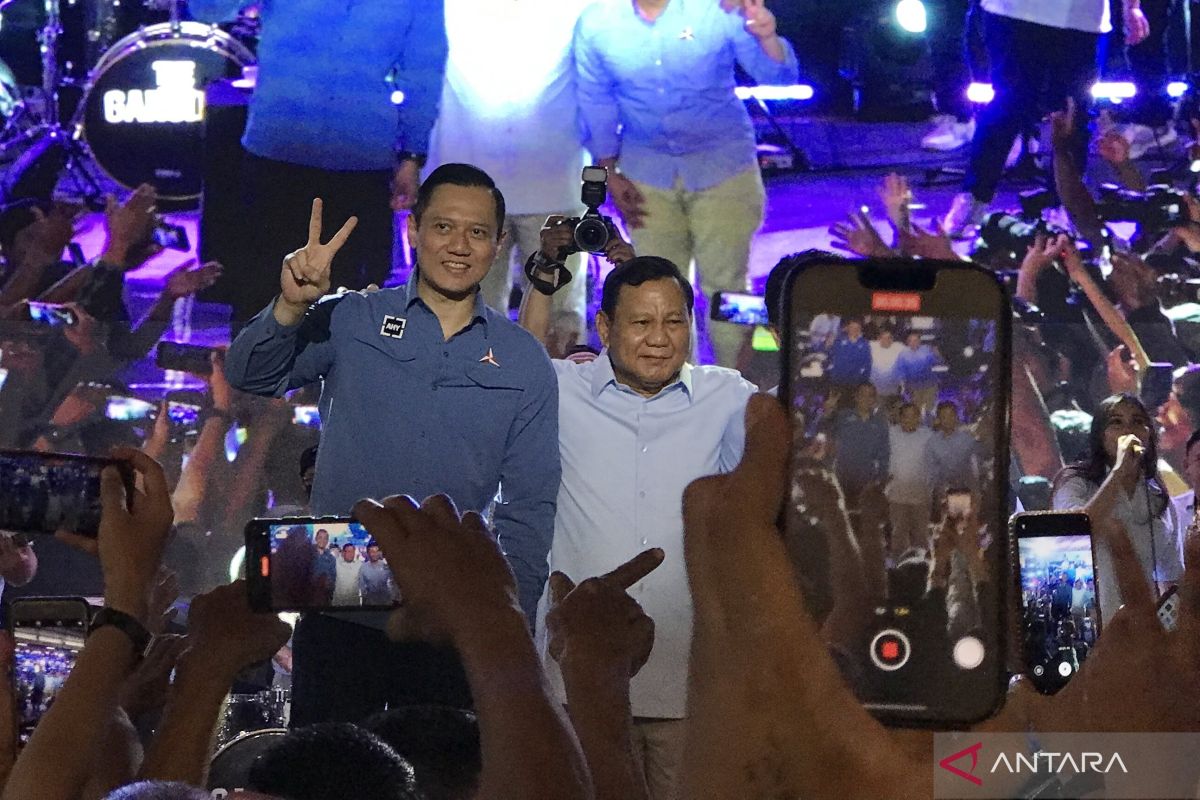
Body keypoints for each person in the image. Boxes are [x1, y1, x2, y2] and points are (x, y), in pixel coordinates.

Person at [224, 163, 560, 724]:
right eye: (443, 227)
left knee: (436, 765)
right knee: (328, 765)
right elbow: (251, 374)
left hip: (449, 611)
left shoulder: (524, 360)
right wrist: (290, 306)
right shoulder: (352, 318)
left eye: (477, 232)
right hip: (340, 596)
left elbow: (529, 508)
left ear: (499, 244)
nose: (459, 246)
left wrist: (510, 621)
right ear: (413, 229)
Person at [521, 232, 756, 800]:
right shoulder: (563, 390)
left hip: (690, 688)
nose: (659, 338)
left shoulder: (728, 399)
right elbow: (519, 362)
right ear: (604, 329)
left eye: (673, 321)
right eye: (641, 322)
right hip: (582, 688)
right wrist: (546, 269)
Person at [188, 0, 449, 323]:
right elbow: (208, 10)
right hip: (281, 153)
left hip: (355, 159)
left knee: (348, 305)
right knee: (262, 296)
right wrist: (410, 154)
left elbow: (424, 72)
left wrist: (412, 154)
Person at [573, 0, 799, 367]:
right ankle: (671, 392)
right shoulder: (596, 23)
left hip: (724, 168)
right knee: (658, 292)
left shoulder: (720, 8)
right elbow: (595, 100)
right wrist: (608, 171)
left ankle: (734, 387)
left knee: (729, 288)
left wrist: (768, 37)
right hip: (645, 174)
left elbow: (780, 78)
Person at [425, 0, 592, 341]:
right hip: (468, 192)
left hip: (553, 185)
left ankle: (559, 380)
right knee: (465, 319)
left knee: (558, 322)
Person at [941, 0, 1148, 235]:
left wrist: (1132, 7)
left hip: (1083, 18)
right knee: (1008, 106)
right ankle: (974, 198)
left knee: (1073, 114)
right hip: (1015, 11)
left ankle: (1065, 205)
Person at [1051, 393, 1184, 625]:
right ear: (1100, 435)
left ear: (1149, 433)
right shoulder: (1075, 483)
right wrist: (1119, 471)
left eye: (1137, 421)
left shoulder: (1158, 499)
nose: (1128, 430)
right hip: (1089, 628)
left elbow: (1172, 577)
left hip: (1142, 632)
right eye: (1116, 422)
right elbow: (1075, 533)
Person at [886, 402, 934, 557]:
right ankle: (899, 567)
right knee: (898, 536)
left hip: (921, 496)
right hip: (896, 496)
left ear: (919, 418)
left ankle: (922, 567)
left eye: (913, 416)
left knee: (921, 536)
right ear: (900, 418)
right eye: (906, 416)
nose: (910, 420)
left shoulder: (928, 435)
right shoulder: (890, 434)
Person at [831, 383, 890, 509]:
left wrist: (881, 481)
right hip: (842, 479)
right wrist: (826, 414)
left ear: (874, 399)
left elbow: (884, 455)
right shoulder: (843, 416)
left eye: (870, 396)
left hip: (867, 483)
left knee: (864, 518)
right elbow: (823, 433)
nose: (866, 399)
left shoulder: (880, 424)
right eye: (862, 395)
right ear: (856, 397)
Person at [925, 399, 980, 500]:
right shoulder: (932, 443)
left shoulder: (967, 440)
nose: (948, 419)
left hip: (966, 492)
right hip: (942, 494)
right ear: (938, 419)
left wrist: (976, 492)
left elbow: (975, 468)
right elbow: (931, 470)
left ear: (956, 417)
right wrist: (933, 491)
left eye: (951, 415)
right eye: (944, 417)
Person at [895, 330, 940, 415]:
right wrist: (902, 384)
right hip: (913, 387)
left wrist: (937, 354)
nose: (913, 343)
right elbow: (901, 370)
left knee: (929, 410)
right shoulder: (903, 354)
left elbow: (936, 362)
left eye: (915, 340)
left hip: (930, 385)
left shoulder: (927, 350)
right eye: (910, 341)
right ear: (907, 342)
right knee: (915, 410)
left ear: (919, 341)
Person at [827, 319, 871, 387]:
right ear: (847, 328)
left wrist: (864, 380)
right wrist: (827, 345)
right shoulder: (838, 340)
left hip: (855, 381)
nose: (855, 330)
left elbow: (867, 363)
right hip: (838, 379)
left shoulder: (865, 344)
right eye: (852, 327)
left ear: (860, 330)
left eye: (858, 328)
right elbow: (828, 355)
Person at [358, 541, 395, 606]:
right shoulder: (363, 567)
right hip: (371, 603)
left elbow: (392, 583)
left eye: (377, 551)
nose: (375, 554)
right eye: (372, 552)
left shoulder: (385, 565)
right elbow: (362, 586)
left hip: (386, 602)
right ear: (368, 553)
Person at [332, 542, 362, 606]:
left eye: (352, 552)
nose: (351, 554)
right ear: (343, 553)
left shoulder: (360, 565)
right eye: (348, 551)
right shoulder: (336, 563)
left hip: (353, 604)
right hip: (338, 603)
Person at [311, 528, 336, 602]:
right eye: (320, 537)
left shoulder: (331, 558)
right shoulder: (308, 554)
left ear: (327, 541)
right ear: (316, 539)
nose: (322, 540)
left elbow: (333, 576)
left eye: (325, 538)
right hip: (309, 594)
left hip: (325, 595)